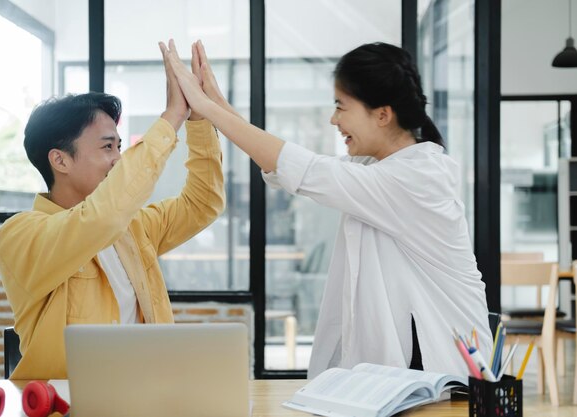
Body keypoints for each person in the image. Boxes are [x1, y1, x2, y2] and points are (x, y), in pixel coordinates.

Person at [165, 40, 493, 378]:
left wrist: (206, 105)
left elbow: (307, 171)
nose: (333, 120)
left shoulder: (418, 178)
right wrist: (216, 102)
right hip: (412, 370)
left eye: (341, 106)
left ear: (382, 114)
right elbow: (290, 166)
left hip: (445, 369)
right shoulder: (377, 167)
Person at [0, 42, 225, 380]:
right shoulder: (21, 235)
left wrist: (199, 117)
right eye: (106, 147)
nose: (118, 158)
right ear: (60, 160)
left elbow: (203, 202)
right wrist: (171, 117)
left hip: (147, 395)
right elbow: (101, 218)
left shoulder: (134, 227)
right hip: (66, 406)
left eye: (119, 146)